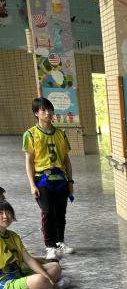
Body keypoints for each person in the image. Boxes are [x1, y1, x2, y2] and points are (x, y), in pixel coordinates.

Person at [23, 97, 75, 261]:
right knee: (47, 212)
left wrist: (70, 182)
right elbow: (29, 162)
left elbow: (66, 161)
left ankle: (60, 241)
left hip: (60, 179)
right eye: (43, 110)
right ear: (36, 113)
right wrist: (32, 185)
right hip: (42, 179)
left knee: (60, 212)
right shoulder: (30, 134)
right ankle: (50, 246)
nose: (48, 113)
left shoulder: (60, 134)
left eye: (50, 110)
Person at [0, 200, 70, 289]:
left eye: (8, 212)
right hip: (4, 286)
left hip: (18, 275)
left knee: (55, 267)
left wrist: (45, 275)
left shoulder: (13, 235)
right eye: (0, 213)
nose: (5, 216)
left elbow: (28, 259)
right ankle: (52, 287)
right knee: (39, 279)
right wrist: (45, 278)